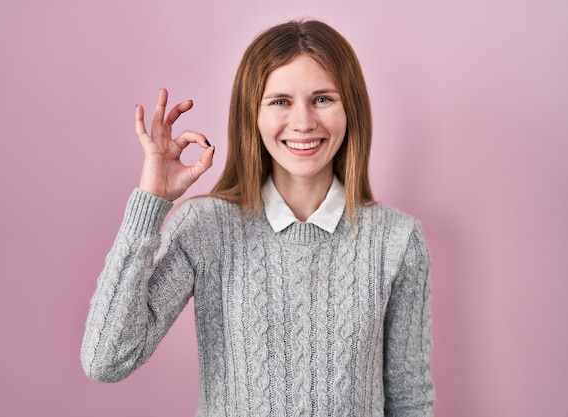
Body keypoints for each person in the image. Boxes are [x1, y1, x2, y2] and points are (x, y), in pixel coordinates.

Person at [81, 19, 435, 416]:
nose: (303, 122)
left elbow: (409, 399)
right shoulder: (205, 228)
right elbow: (106, 360)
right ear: (252, 114)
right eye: (280, 101)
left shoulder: (397, 241)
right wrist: (150, 204)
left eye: (323, 99)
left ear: (350, 108)